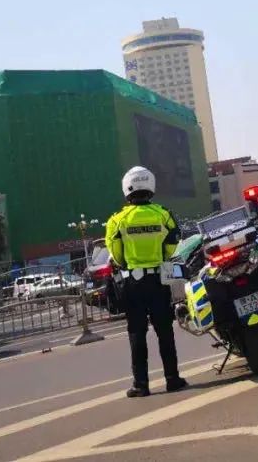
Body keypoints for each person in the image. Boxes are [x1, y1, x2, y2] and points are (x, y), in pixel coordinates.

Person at [105, 166, 186, 398]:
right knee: (165, 331)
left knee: (137, 334)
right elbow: (173, 242)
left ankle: (140, 385)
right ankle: (173, 379)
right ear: (150, 185)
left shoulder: (117, 220)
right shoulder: (163, 214)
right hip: (159, 280)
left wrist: (129, 262)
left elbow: (115, 253)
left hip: (133, 283)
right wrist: (160, 256)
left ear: (127, 189)